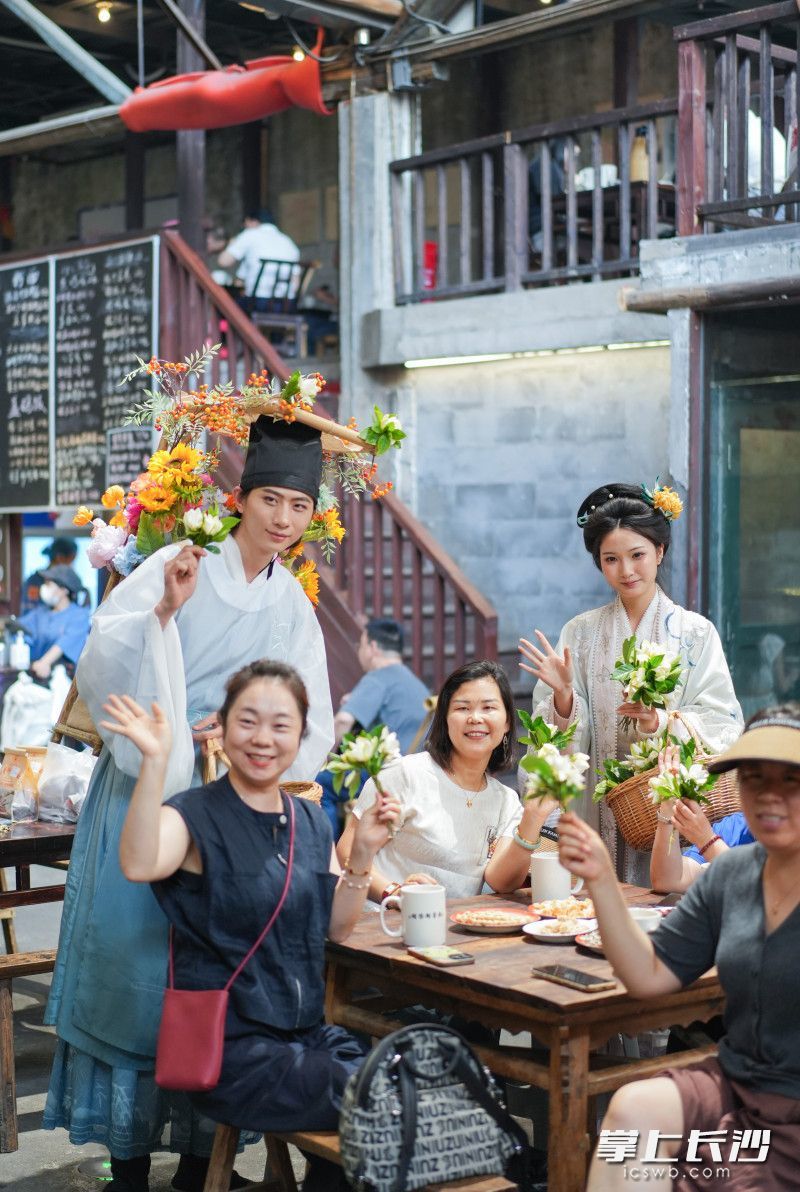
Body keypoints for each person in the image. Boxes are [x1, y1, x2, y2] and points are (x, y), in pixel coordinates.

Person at [43, 410, 344, 1191]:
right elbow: (108, 643)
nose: (282, 518)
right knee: (134, 967)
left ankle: (193, 1164)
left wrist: (248, 730)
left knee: (210, 974)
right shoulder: (182, 560)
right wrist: (167, 617)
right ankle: (129, 1162)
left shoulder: (294, 605)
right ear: (240, 497)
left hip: (226, 807)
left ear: (313, 517)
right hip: (147, 787)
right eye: (270, 499)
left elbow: (308, 713)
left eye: (299, 506)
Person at [104, 660, 399, 1192]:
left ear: (301, 735)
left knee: (403, 1075)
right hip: (234, 1050)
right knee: (381, 1099)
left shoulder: (310, 820)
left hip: (309, 1039)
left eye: (281, 725)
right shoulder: (194, 814)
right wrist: (154, 762)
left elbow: (335, 927)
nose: (263, 739)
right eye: (248, 721)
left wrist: (364, 857)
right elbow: (139, 863)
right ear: (222, 724)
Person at [558, 703, 800, 1191]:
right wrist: (602, 880)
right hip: (734, 1085)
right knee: (632, 1109)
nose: (769, 796)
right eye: (753, 778)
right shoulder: (732, 873)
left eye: (790, 780)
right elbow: (648, 974)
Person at [520, 482, 743, 882]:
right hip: (595, 808)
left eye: (637, 555)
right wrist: (564, 696)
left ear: (659, 552)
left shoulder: (695, 633)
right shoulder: (580, 632)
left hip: (669, 811)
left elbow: (724, 722)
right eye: (611, 559)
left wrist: (660, 721)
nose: (626, 570)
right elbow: (550, 742)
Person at [337, 659, 558, 901]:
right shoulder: (405, 774)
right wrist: (394, 893)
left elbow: (501, 882)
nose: (475, 718)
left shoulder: (506, 800)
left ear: (506, 722)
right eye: (462, 708)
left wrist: (534, 818)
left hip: (455, 931)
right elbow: (346, 850)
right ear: (445, 719)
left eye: (488, 708)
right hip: (381, 923)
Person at [318, 618, 431, 837]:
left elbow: (343, 721)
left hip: (381, 775)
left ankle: (326, 859)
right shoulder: (415, 684)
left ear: (372, 647)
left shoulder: (378, 678)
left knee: (320, 785)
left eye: (360, 645)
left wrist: (321, 758)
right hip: (414, 776)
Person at [650, 743, 754, 893]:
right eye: (753, 778)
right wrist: (668, 807)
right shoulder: (736, 827)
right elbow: (668, 881)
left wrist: (706, 840)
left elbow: (762, 891)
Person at [217, 208, 300, 313]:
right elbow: (295, 283)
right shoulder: (288, 242)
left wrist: (233, 242)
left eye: (245, 224)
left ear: (253, 222)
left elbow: (223, 261)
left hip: (257, 302)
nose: (244, 228)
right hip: (287, 304)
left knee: (223, 305)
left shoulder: (249, 234)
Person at [16, 563, 90, 680]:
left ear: (64, 589)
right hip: (34, 675)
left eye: (48, 584)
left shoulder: (79, 616)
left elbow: (64, 643)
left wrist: (45, 662)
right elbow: (17, 626)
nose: (43, 588)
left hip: (63, 680)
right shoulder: (40, 613)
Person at [22, 535, 78, 613]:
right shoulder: (35, 581)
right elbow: (28, 611)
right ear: (59, 558)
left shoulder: (70, 583)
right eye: (70, 561)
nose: (70, 567)